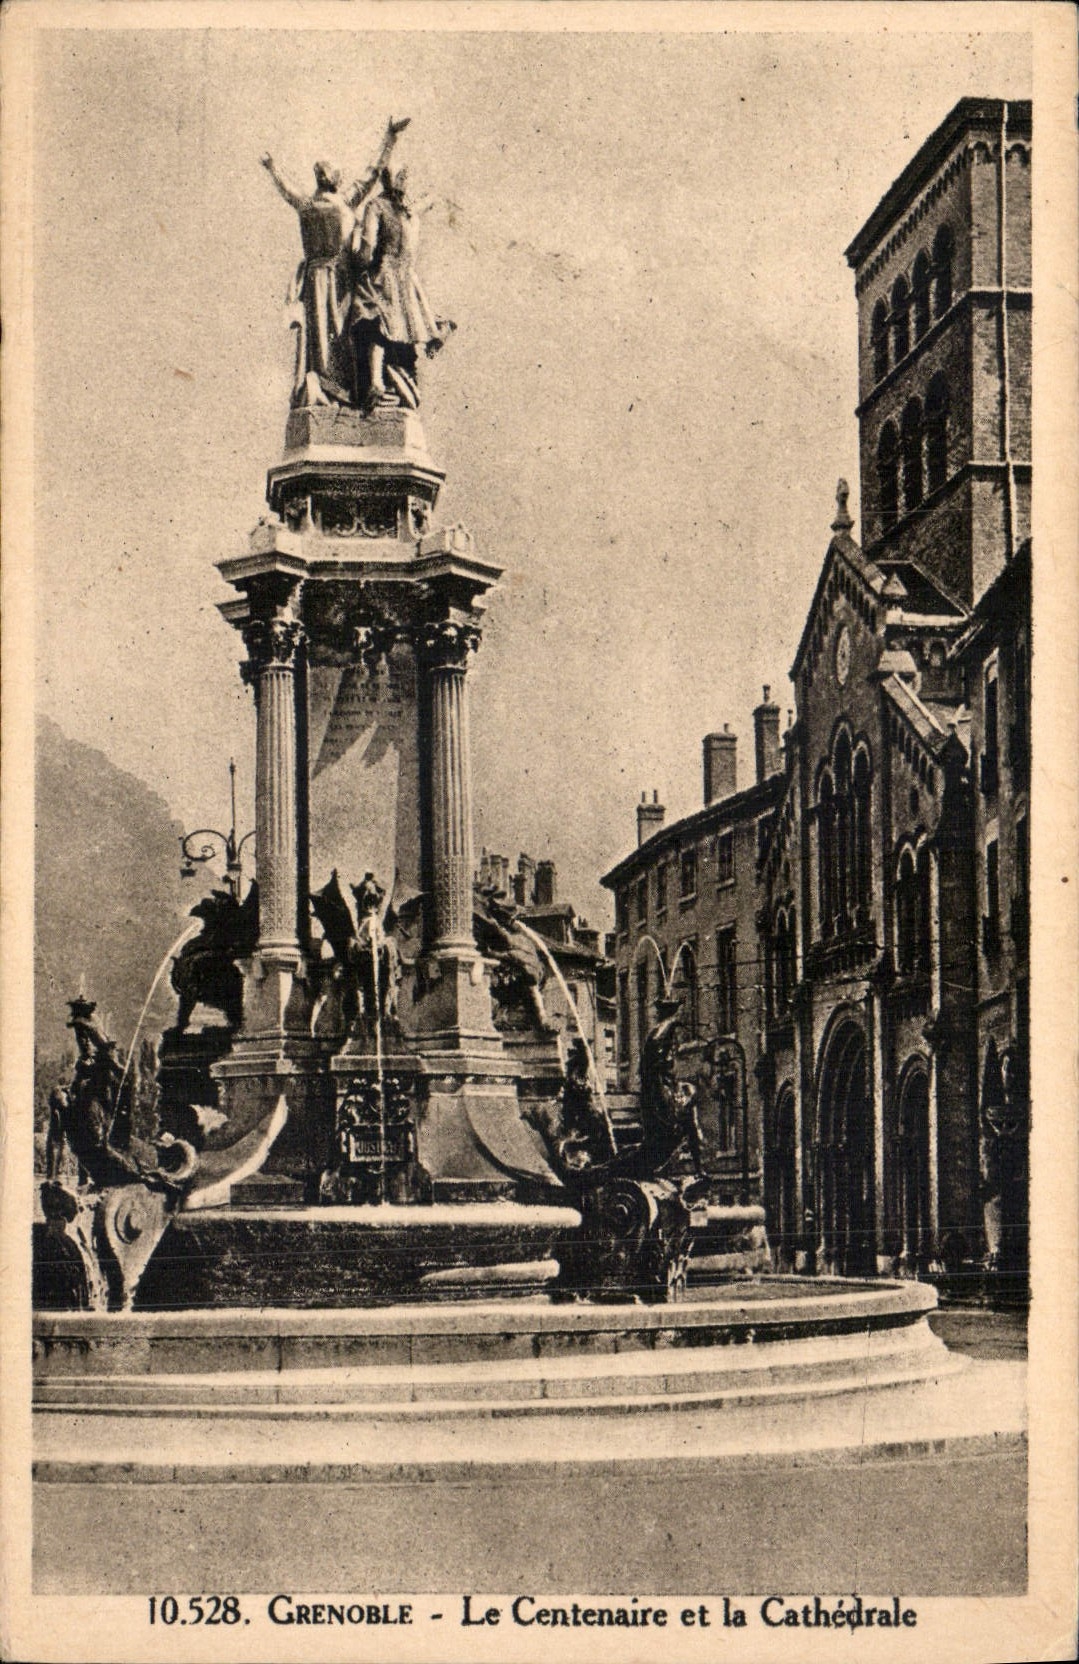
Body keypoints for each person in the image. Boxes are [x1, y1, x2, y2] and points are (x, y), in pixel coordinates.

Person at [346, 166, 453, 410]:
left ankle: (374, 381)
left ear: (384, 179)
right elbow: (429, 201)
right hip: (409, 283)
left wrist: (354, 247)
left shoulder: (376, 207)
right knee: (405, 336)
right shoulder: (410, 213)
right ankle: (404, 386)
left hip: (384, 275)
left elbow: (366, 252)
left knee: (371, 318)